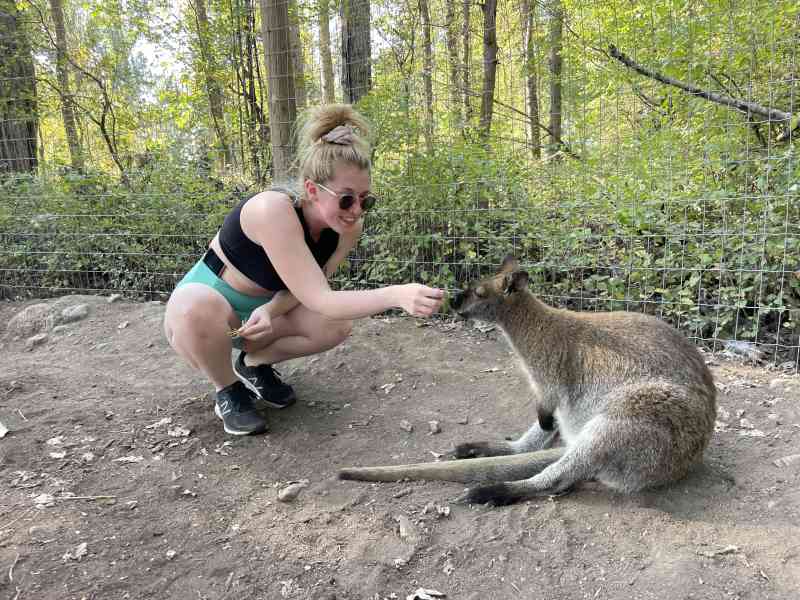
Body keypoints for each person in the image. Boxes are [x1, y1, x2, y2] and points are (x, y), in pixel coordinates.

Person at [164, 104, 444, 436]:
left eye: (365, 200)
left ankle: (253, 365)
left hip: (262, 313)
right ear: (312, 190)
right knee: (196, 305)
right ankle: (228, 390)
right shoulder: (273, 210)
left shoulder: (345, 229)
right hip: (202, 317)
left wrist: (270, 309)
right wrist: (397, 294)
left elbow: (312, 287)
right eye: (346, 199)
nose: (356, 210)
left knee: (335, 325)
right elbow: (322, 298)